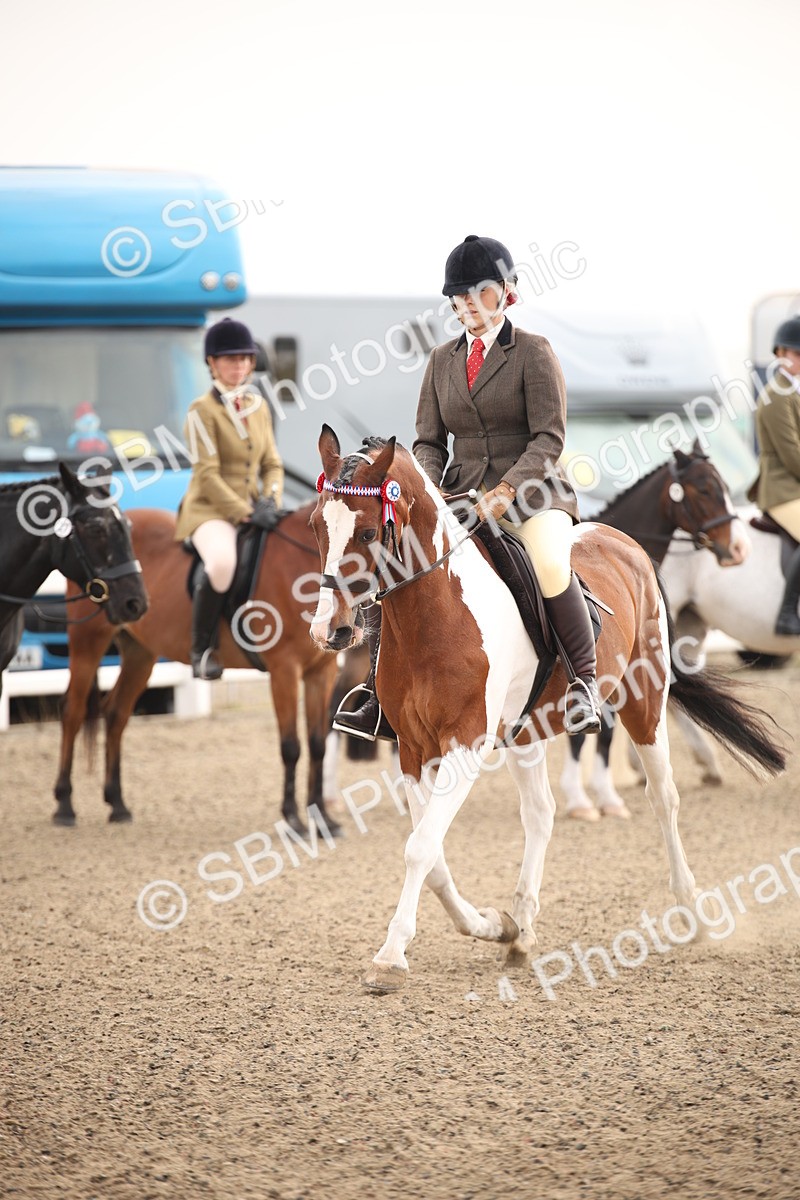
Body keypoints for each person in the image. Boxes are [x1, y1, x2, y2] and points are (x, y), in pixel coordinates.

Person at [333, 234, 601, 741]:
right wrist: (427, 491)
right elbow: (428, 441)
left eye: (480, 293)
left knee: (547, 562)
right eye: (459, 297)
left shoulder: (533, 352)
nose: (468, 306)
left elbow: (549, 436)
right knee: (394, 561)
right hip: (459, 493)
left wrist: (506, 489)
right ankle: (377, 692)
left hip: (534, 492)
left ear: (505, 292)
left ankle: (584, 684)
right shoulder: (441, 360)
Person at [175, 317, 284, 679]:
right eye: (229, 359)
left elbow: (271, 463)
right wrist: (246, 514)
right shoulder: (200, 411)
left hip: (255, 506)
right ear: (212, 363)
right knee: (221, 564)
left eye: (243, 359)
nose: (237, 366)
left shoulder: (259, 406)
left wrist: (269, 500)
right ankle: (202, 649)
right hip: (210, 511)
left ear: (252, 363)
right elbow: (206, 475)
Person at [748, 315, 800, 635]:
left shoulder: (793, 393)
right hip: (782, 489)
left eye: (795, 354)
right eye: (788, 354)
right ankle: (786, 614)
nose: (790, 360)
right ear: (780, 354)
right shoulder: (775, 397)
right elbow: (793, 455)